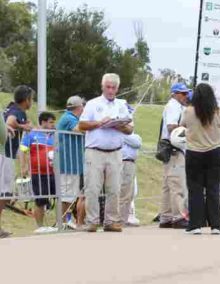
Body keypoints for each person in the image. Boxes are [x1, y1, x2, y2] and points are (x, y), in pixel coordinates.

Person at [181, 82, 220, 234]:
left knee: (195, 190)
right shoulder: (217, 112)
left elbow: (181, 126)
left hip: (194, 153)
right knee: (213, 189)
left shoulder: (188, 111)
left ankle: (195, 225)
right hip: (214, 153)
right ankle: (215, 225)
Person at [78, 73, 134, 233]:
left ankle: (111, 221)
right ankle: (92, 221)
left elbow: (130, 129)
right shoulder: (92, 104)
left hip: (115, 152)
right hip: (95, 152)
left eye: (114, 88)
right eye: (108, 87)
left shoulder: (122, 105)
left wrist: (117, 125)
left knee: (114, 188)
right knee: (92, 188)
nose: (110, 90)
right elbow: (82, 125)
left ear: (117, 88)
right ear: (102, 87)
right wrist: (99, 123)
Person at [0, 85, 34, 238]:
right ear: (26, 100)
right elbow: (11, 121)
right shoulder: (17, 111)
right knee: (5, 192)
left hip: (7, 154)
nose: (31, 102)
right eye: (31, 99)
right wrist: (24, 127)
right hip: (5, 155)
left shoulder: (11, 107)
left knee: (5, 192)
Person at [159, 83, 191, 229]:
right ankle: (178, 216)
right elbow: (171, 126)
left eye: (186, 94)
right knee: (177, 184)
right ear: (175, 94)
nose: (186, 96)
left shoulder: (176, 106)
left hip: (170, 149)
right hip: (174, 148)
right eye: (183, 94)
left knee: (167, 184)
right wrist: (186, 130)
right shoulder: (174, 106)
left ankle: (165, 216)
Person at [19, 112, 56, 229]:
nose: (53, 125)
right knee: (40, 200)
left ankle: (61, 223)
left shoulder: (54, 135)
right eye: (51, 122)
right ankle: (39, 227)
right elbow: (22, 150)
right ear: (43, 122)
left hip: (53, 173)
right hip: (38, 173)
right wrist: (23, 166)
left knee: (59, 198)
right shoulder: (32, 134)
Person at [57, 96, 85, 228]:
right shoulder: (69, 118)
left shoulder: (69, 117)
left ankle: (63, 221)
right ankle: (61, 222)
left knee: (69, 194)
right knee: (66, 194)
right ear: (79, 107)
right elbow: (80, 129)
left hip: (72, 164)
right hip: (68, 164)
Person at [120, 129, 142, 225]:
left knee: (130, 193)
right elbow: (137, 142)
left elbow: (137, 140)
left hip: (131, 162)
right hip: (124, 161)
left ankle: (125, 218)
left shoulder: (129, 133)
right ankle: (120, 219)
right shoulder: (121, 132)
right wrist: (135, 138)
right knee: (124, 193)